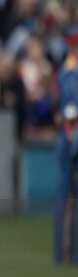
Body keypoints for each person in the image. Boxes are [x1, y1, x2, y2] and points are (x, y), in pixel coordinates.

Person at [54, 27, 78, 265]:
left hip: (67, 136)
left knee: (64, 197)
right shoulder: (69, 71)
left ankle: (63, 254)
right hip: (71, 137)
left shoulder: (65, 70)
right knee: (66, 196)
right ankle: (66, 255)